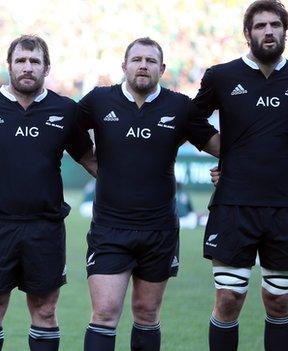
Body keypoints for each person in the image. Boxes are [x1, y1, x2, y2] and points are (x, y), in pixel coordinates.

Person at [0, 34, 96, 351]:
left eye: (34, 61)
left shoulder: (64, 110)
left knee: (45, 311)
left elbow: (89, 159)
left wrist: (133, 183)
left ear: (46, 68)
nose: (27, 67)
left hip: (45, 225)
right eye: (21, 61)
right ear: (9, 66)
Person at [78, 37, 220, 351]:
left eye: (151, 61)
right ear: (124, 66)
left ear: (162, 68)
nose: (144, 65)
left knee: (146, 313)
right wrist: (89, 161)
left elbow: (219, 146)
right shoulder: (99, 100)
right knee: (104, 313)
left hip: (160, 229)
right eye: (137, 59)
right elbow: (63, 130)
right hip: (109, 228)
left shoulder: (179, 106)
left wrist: (231, 169)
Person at [193, 1, 288, 350]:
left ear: (284, 31)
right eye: (261, 25)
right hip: (234, 205)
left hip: (284, 207)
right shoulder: (221, 75)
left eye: (276, 25)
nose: (269, 31)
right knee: (229, 298)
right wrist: (226, 153)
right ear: (247, 33)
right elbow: (192, 119)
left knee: (280, 301)